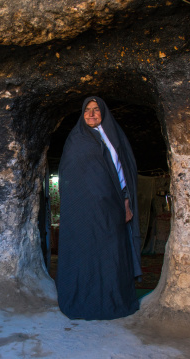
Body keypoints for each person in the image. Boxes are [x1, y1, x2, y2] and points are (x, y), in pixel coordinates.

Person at [56, 96, 142, 320]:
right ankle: (84, 301)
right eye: (87, 110)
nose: (91, 114)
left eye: (96, 110)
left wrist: (126, 201)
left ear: (104, 112)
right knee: (85, 253)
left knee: (111, 253)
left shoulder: (114, 137)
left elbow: (124, 173)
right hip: (83, 210)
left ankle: (114, 301)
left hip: (111, 208)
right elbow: (69, 176)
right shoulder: (76, 140)